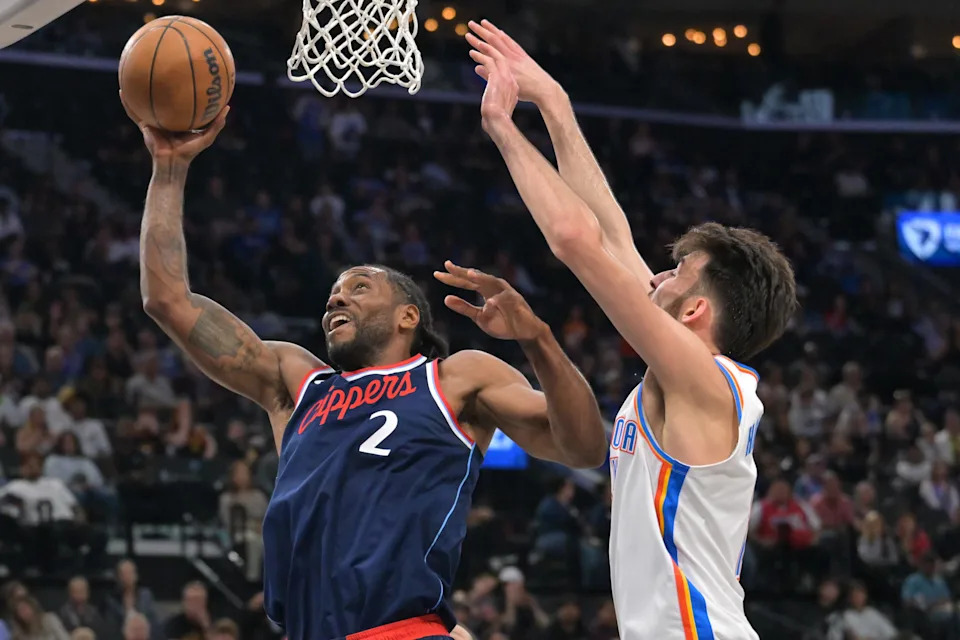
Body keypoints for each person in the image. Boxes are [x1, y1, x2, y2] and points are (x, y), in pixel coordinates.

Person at [121, 94, 606, 640]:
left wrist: (539, 339)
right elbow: (167, 301)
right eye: (333, 292)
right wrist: (168, 168)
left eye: (358, 288)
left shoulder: (454, 378)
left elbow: (584, 448)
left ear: (407, 317)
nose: (336, 298)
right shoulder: (297, 383)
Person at [466, 20, 796, 639]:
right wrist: (554, 104)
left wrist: (503, 128)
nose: (656, 275)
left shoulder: (703, 380)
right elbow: (609, 230)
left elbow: (575, 240)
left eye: (676, 273)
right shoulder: (691, 372)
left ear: (695, 311)